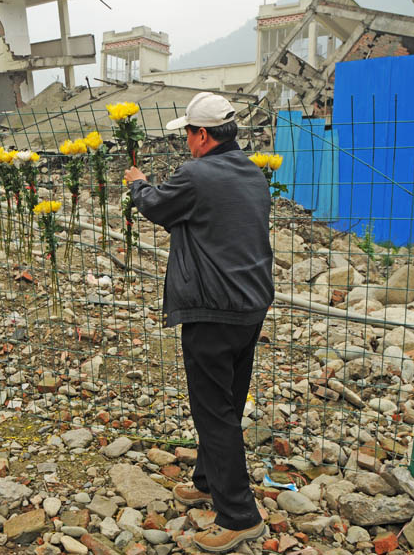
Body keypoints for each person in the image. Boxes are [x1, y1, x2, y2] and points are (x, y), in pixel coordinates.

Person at [123, 92, 273, 553]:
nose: (185, 142)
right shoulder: (252, 171)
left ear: (203, 135)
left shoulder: (195, 175)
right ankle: (209, 481)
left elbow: (154, 207)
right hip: (250, 304)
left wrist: (137, 182)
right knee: (227, 398)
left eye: (187, 133)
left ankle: (240, 516)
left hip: (212, 309)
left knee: (213, 412)